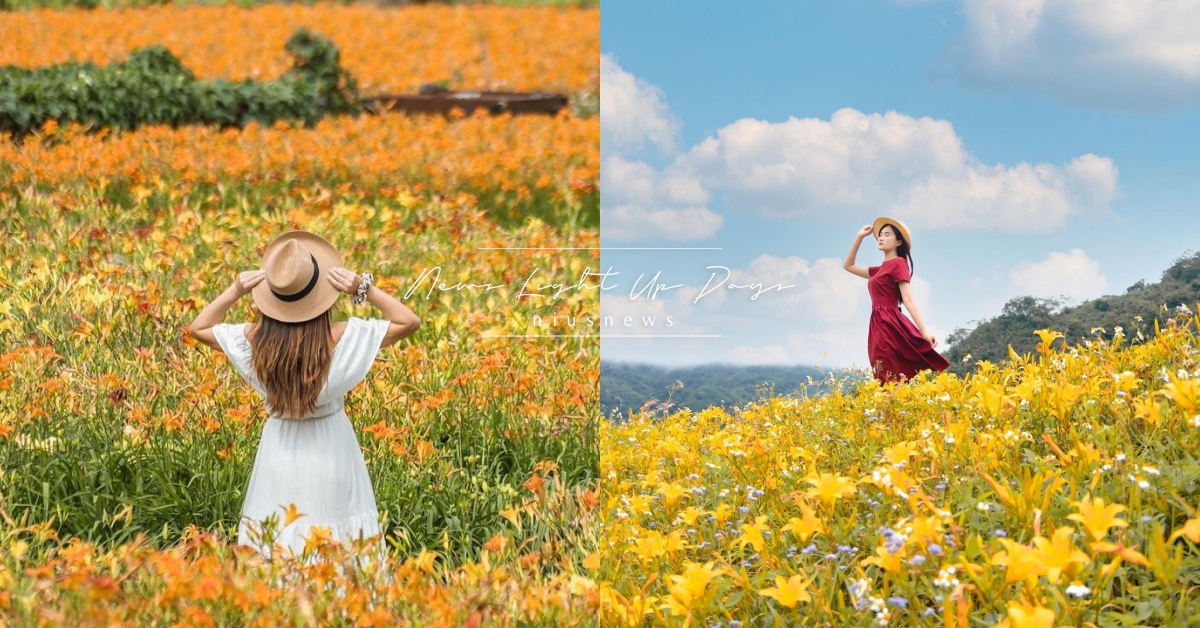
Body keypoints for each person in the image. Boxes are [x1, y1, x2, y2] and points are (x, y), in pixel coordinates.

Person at [187, 230, 421, 568]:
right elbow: (408, 321)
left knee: (278, 537)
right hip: (332, 449)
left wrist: (236, 289)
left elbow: (199, 327)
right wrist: (362, 288)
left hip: (278, 452)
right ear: (321, 295)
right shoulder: (341, 337)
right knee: (338, 536)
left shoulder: (255, 341)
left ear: (272, 296)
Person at [842, 216, 949, 385]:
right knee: (880, 370)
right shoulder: (878, 270)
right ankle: (890, 408)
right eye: (880, 235)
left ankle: (893, 407)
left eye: (887, 234)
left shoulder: (899, 264)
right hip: (877, 323)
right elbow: (848, 266)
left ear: (899, 242)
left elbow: (908, 299)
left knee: (888, 372)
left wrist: (924, 331)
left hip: (888, 323)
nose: (882, 238)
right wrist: (859, 237)